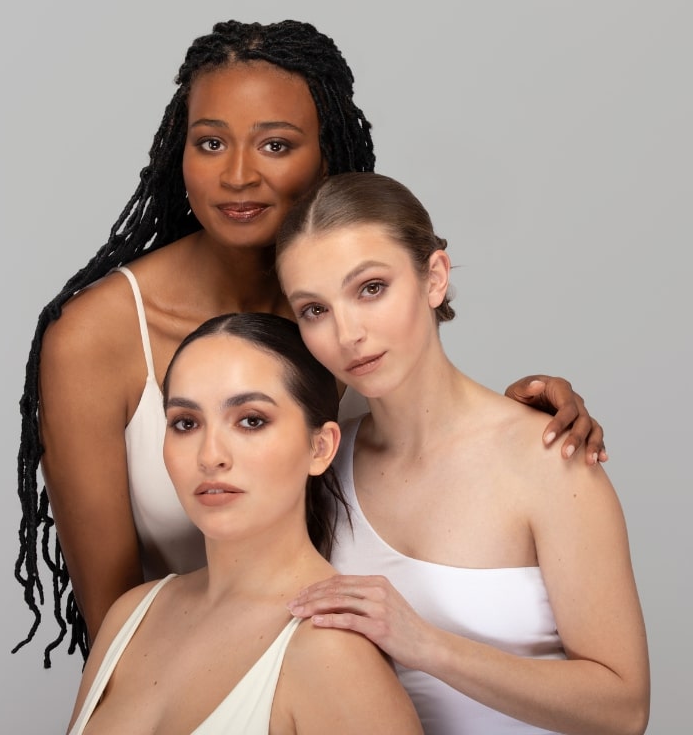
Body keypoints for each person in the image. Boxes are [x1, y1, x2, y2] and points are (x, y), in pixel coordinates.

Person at [14, 19, 606, 666]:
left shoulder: (349, 316)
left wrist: (522, 425)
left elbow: (429, 450)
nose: (238, 175)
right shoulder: (95, 338)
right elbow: (114, 630)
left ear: (327, 155)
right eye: (210, 142)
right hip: (198, 687)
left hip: (369, 679)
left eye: (275, 144)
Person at [277, 173, 650, 735]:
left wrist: (426, 644)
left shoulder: (548, 458)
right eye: (314, 310)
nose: (347, 333)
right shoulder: (321, 466)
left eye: (371, 288)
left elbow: (624, 710)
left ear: (434, 278)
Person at [65, 312, 422, 734]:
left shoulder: (333, 651)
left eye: (251, 420)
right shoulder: (131, 617)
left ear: (320, 448)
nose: (210, 455)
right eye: (186, 423)